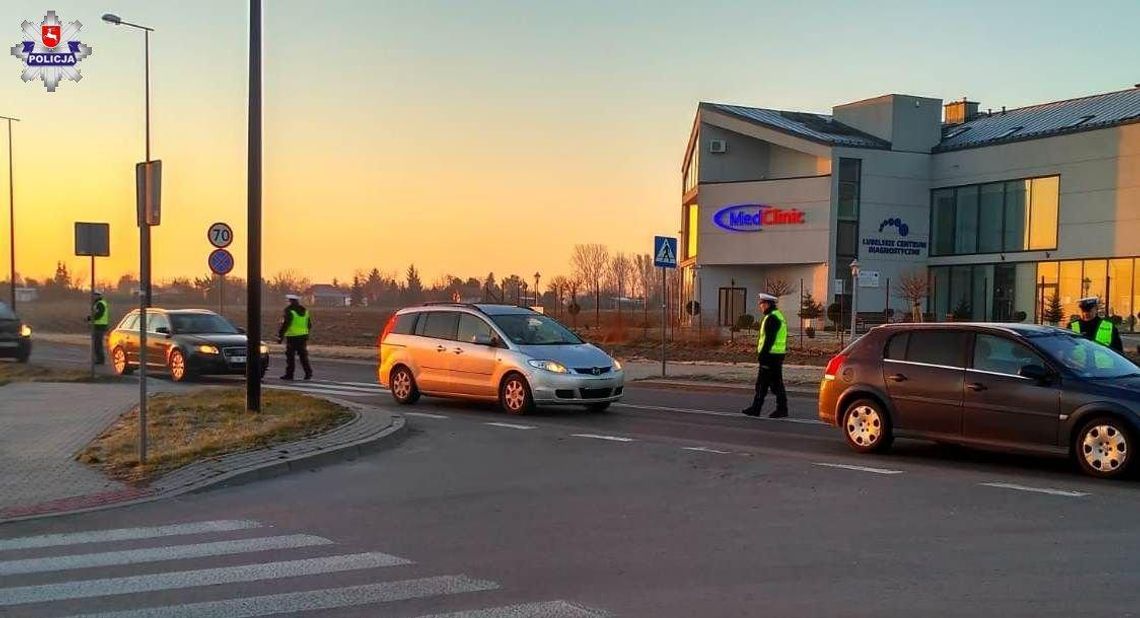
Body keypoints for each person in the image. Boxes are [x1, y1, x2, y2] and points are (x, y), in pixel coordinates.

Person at [742, 292, 789, 419]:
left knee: (763, 384)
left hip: (770, 356)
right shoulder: (776, 316)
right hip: (776, 355)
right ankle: (780, 408)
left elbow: (769, 339)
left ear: (767, 304)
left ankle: (759, 408)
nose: (760, 306)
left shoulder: (772, 318)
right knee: (775, 384)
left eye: (761, 304)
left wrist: (763, 356)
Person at [278, 294, 313, 380]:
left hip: (292, 337)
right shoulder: (305, 311)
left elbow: (286, 324)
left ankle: (289, 374)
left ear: (291, 301)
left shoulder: (289, 311)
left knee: (290, 357)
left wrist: (280, 336)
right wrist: (306, 333)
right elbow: (309, 324)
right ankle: (308, 373)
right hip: (303, 337)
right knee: (303, 356)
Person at [85, 290, 109, 365]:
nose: (93, 296)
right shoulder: (97, 303)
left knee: (98, 344)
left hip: (99, 326)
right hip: (97, 325)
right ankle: (98, 359)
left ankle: (100, 360)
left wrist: (89, 318)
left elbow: (99, 315)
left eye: (95, 295)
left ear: (98, 296)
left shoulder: (100, 304)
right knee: (96, 344)